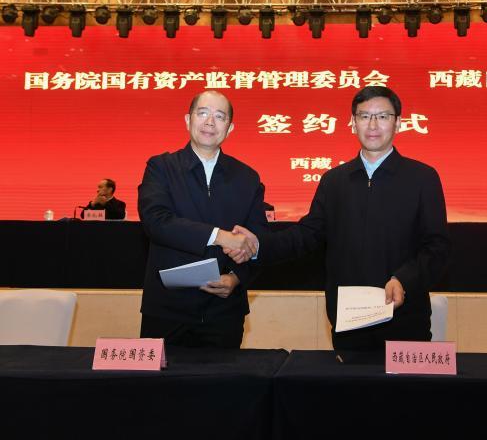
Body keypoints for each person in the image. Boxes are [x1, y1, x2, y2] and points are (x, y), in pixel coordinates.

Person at [230, 86, 450, 351]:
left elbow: (437, 247)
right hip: (349, 321)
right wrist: (259, 245)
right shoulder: (334, 181)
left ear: (398, 123)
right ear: (353, 123)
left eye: (383, 116)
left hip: (405, 318)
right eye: (364, 116)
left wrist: (403, 280)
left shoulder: (422, 178)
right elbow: (306, 235)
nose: (373, 125)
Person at [137, 90, 267, 348]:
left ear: (230, 128)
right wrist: (220, 236)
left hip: (224, 312)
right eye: (203, 113)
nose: (210, 122)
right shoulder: (161, 167)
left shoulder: (248, 178)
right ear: (188, 120)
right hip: (167, 310)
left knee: (223, 375)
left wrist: (236, 278)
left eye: (220, 116)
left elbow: (259, 242)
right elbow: (155, 221)